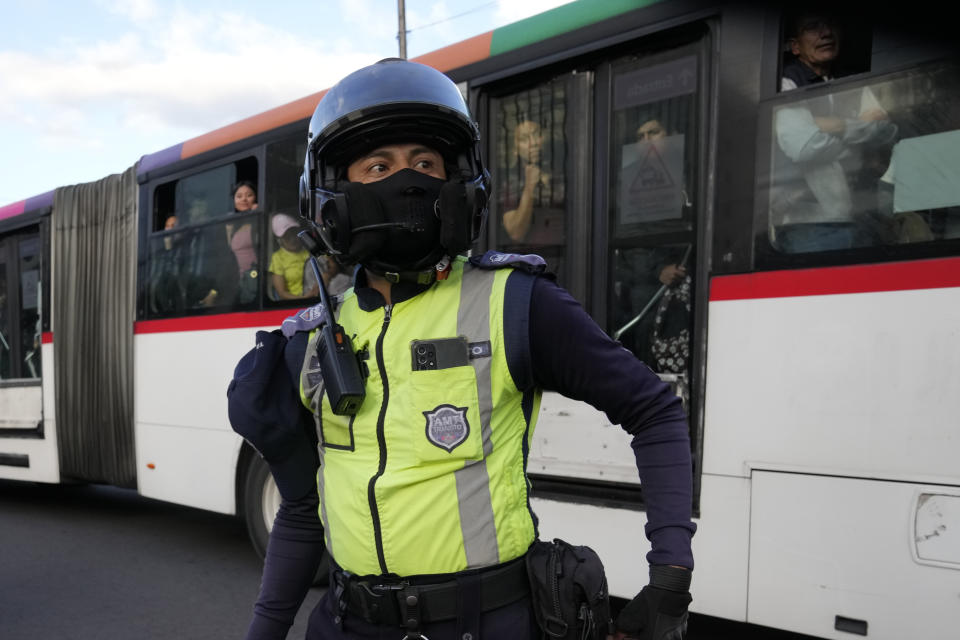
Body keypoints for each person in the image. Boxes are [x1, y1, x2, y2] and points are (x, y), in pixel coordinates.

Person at [228, 58, 694, 640]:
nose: (408, 180)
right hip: (347, 624)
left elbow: (653, 410)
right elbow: (300, 512)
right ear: (332, 194)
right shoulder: (310, 343)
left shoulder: (515, 304)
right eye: (379, 166)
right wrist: (264, 630)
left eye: (425, 163)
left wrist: (670, 579)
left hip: (484, 624)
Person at [773, 11, 898, 252]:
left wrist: (828, 124)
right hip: (809, 226)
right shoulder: (785, 82)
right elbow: (804, 147)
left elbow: (887, 131)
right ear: (795, 46)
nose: (826, 32)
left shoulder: (852, 79)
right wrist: (855, 130)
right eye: (813, 26)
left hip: (863, 218)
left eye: (830, 24)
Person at [268, 213, 317, 300]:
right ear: (279, 240)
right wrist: (305, 298)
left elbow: (332, 267)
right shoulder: (277, 258)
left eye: (294, 233)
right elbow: (282, 293)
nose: (292, 239)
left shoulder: (310, 248)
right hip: (300, 303)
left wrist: (326, 277)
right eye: (287, 236)